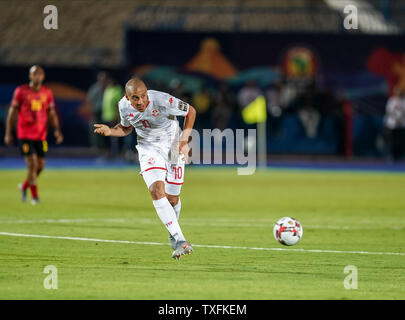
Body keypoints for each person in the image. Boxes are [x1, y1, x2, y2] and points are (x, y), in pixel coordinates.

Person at [94, 78, 197, 260]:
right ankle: (181, 240)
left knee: (172, 199)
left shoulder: (163, 100)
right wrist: (111, 131)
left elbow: (191, 112)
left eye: (143, 96)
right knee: (157, 191)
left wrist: (184, 140)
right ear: (127, 97)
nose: (140, 101)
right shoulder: (123, 106)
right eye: (135, 98)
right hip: (149, 149)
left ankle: (173, 232)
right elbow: (126, 128)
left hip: (174, 148)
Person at [4, 65, 63, 205]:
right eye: (35, 73)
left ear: (43, 77)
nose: (38, 76)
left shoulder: (47, 93)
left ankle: (24, 187)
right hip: (25, 134)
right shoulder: (21, 91)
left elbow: (51, 113)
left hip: (41, 135)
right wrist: (8, 133)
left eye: (40, 73)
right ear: (30, 76)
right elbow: (12, 113)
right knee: (32, 165)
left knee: (40, 166)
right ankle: (35, 197)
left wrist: (56, 130)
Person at [384, 86, 405, 161]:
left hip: (401, 124)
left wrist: (399, 119)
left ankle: (400, 155)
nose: (397, 92)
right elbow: (388, 111)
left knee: (401, 140)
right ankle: (392, 155)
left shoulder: (403, 101)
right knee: (392, 141)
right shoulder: (391, 101)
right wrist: (395, 118)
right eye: (396, 91)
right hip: (393, 124)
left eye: (398, 91)